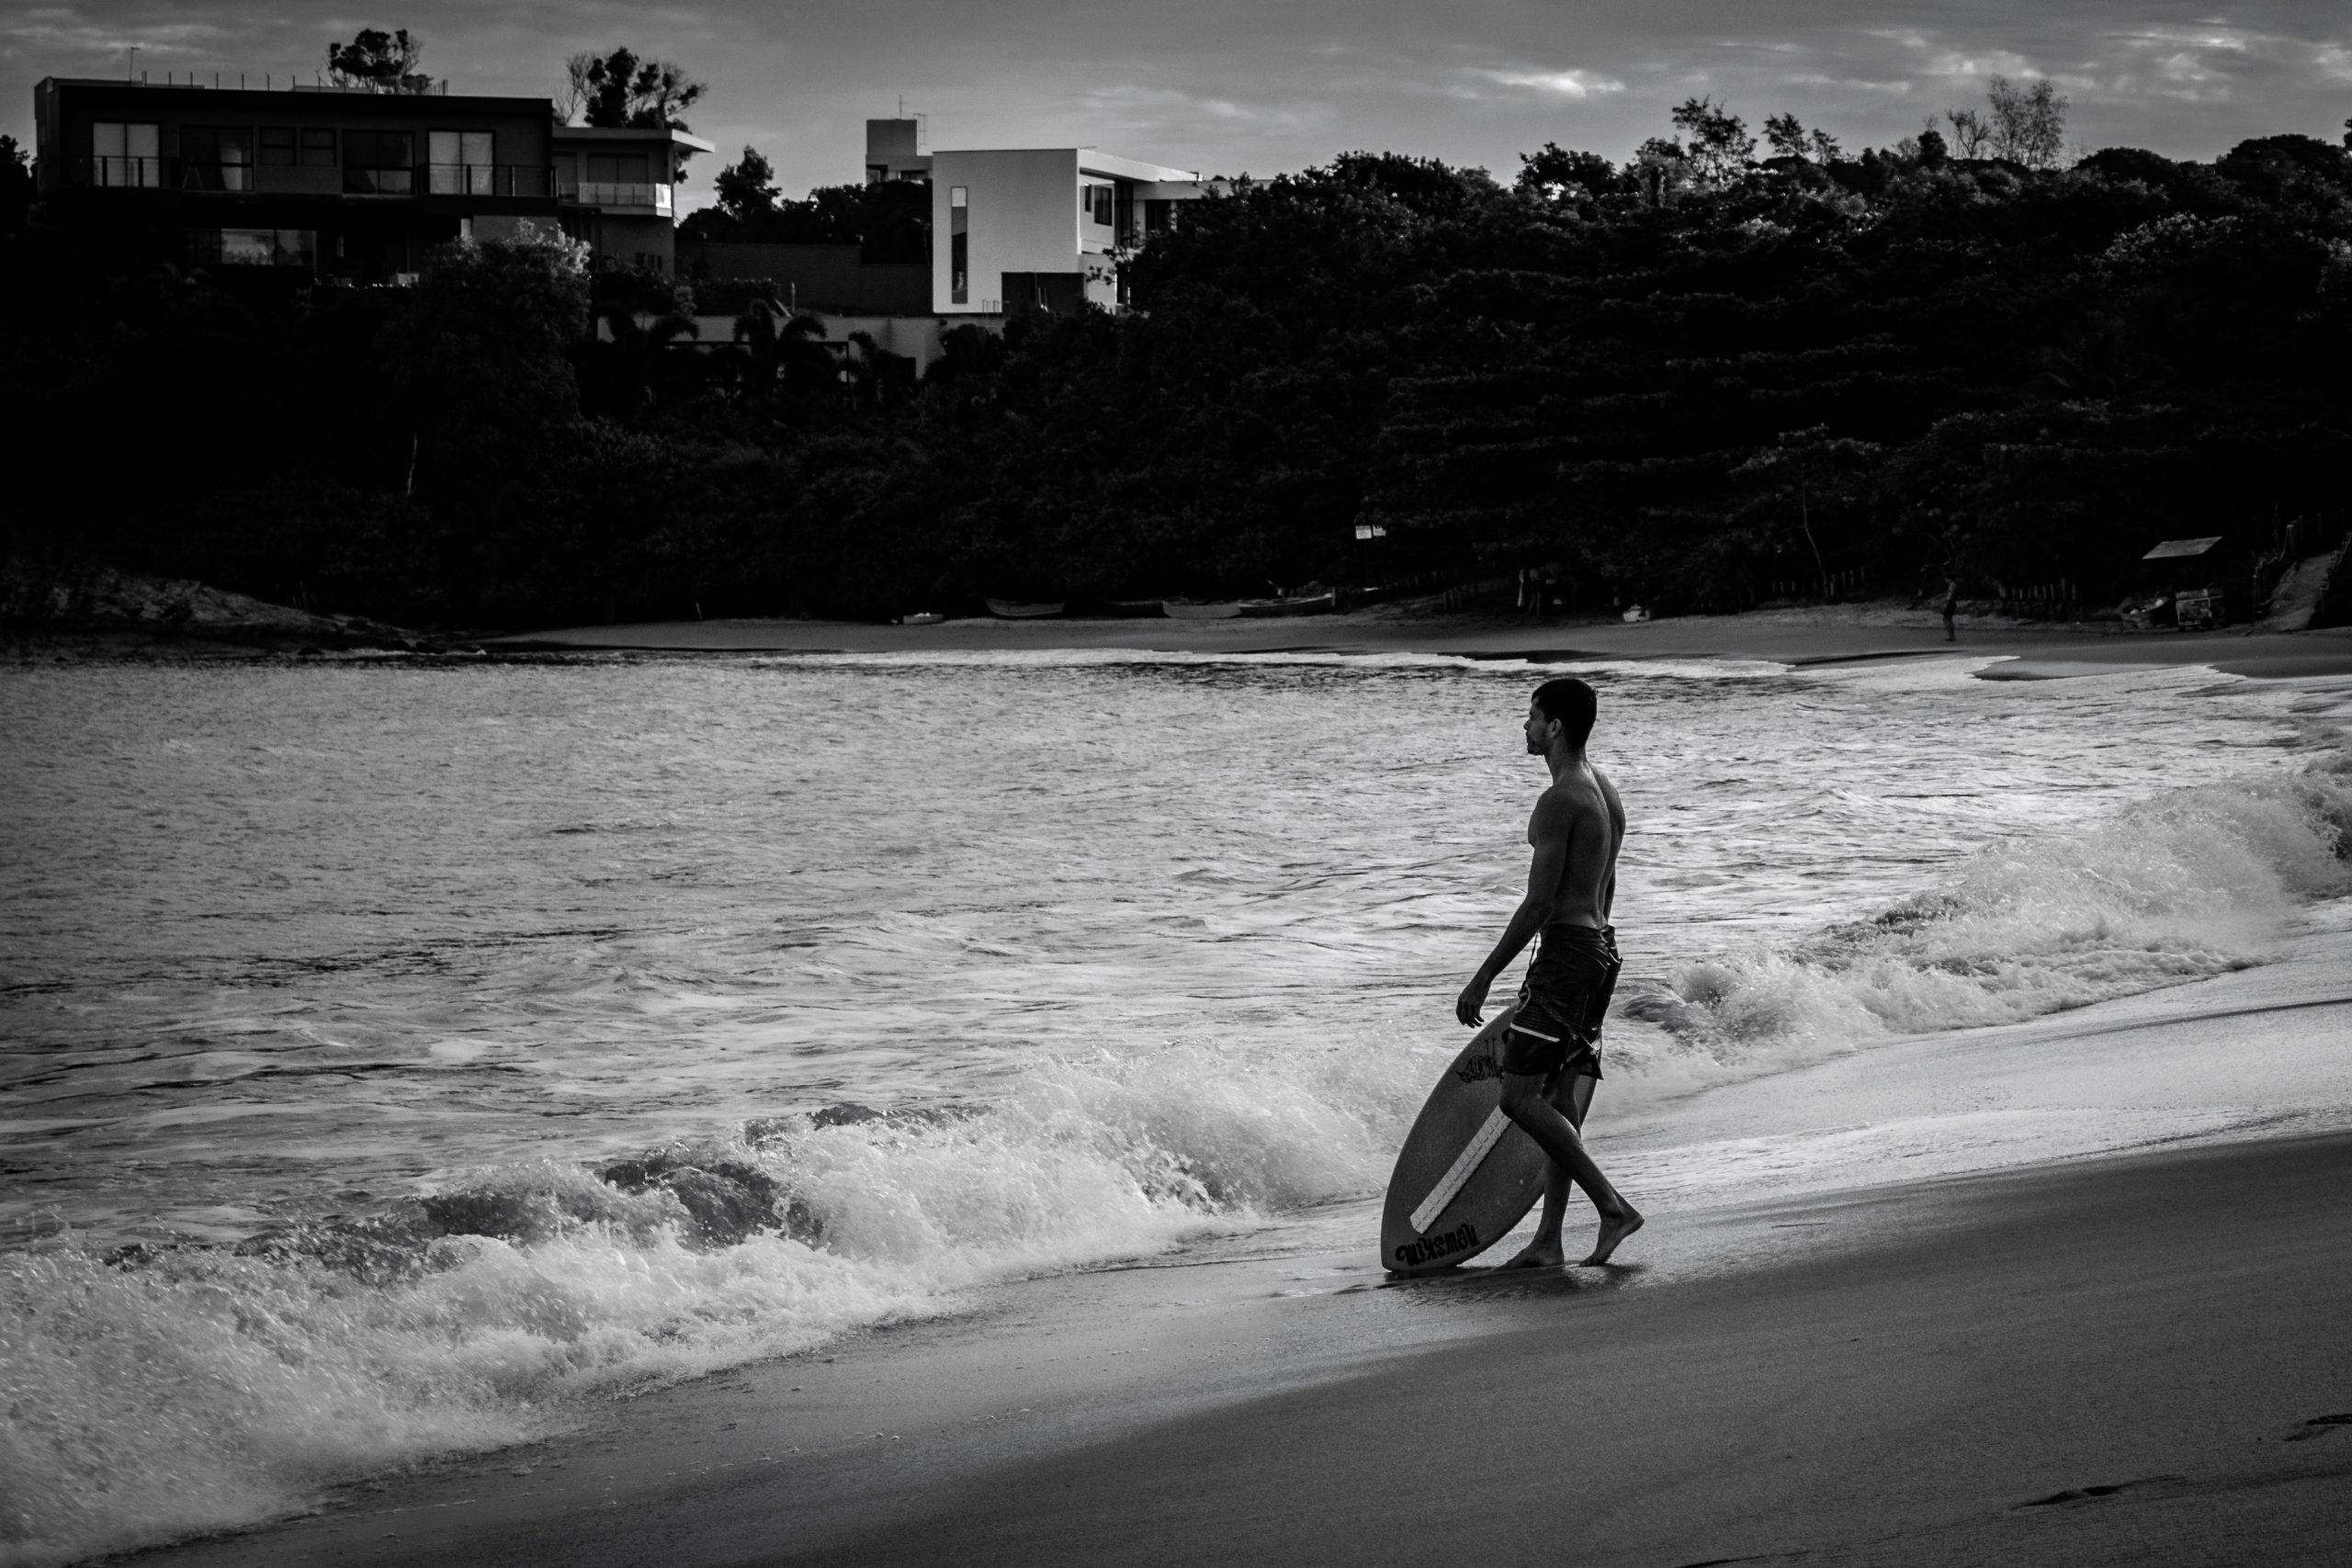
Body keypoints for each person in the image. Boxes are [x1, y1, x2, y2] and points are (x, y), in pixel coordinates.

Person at [1455, 678, 1644, 1268]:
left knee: (1518, 1097)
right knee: (1561, 1095)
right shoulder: (1604, 790)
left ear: (1555, 726)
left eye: (1533, 715)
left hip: (1566, 957)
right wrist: (1592, 943)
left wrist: (1484, 977)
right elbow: (1607, 882)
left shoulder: (1560, 799)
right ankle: (1548, 1241)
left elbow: (1538, 904)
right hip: (1598, 948)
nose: (1526, 725)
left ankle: (1612, 1207)